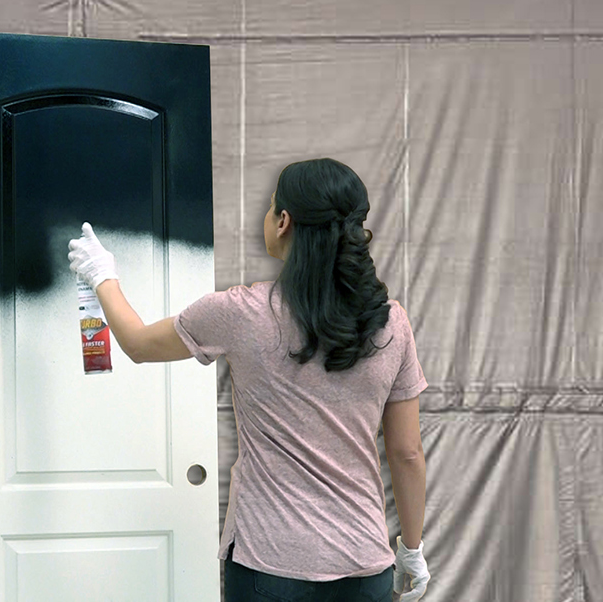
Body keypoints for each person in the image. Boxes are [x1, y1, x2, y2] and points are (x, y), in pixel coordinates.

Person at [68, 158, 430, 602]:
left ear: (283, 222)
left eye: (271, 206)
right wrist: (411, 549)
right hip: (364, 565)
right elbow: (407, 452)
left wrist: (102, 275)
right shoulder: (391, 323)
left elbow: (139, 344)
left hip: (269, 567)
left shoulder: (241, 313)